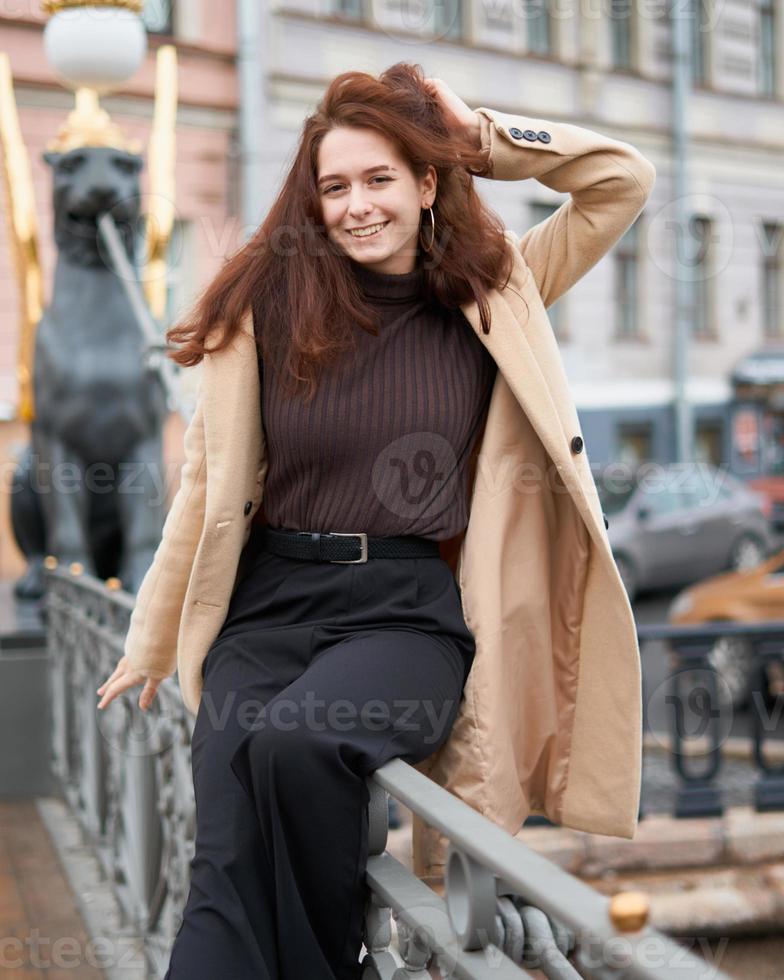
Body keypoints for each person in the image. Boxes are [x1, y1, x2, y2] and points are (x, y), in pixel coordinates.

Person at [96, 61, 656, 980]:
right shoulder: (269, 307)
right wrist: (154, 636)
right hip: (269, 605)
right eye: (334, 187)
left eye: (379, 179)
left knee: (303, 741)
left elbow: (618, 182)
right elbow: (206, 489)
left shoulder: (496, 291)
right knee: (223, 864)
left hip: (404, 612)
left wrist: (476, 130)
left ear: (428, 183)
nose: (356, 206)